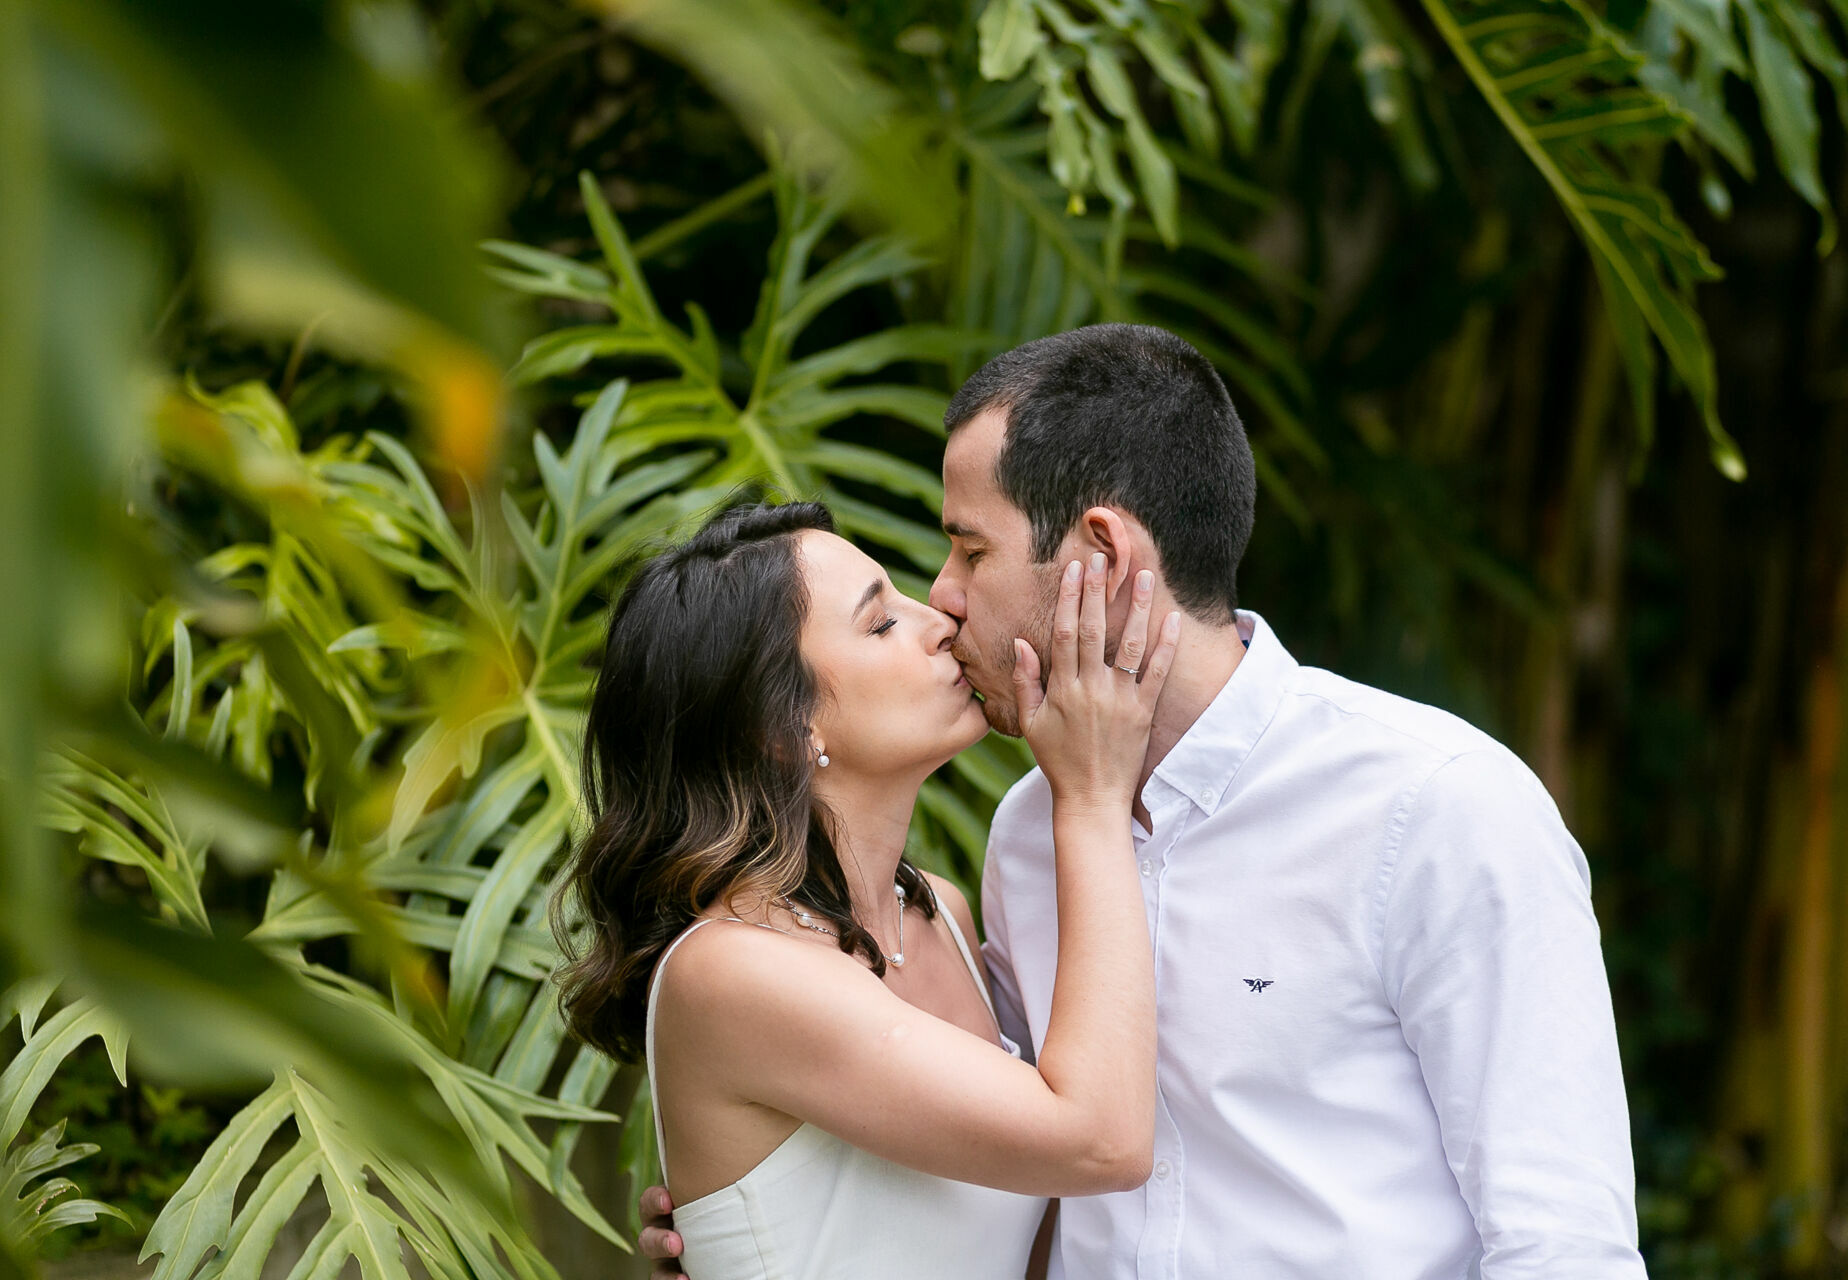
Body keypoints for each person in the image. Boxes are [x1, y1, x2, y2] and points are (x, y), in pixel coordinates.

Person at [641, 324, 1648, 1279]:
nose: (942, 598)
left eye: (972, 550)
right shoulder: (1029, 836)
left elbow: (1564, 1244)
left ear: (1105, 557)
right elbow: (1016, 1161)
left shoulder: (1438, 809)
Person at [552, 499, 1183, 1279]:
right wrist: (1090, 797)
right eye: (881, 624)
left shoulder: (942, 915)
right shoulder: (733, 972)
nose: (941, 622)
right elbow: (1103, 1141)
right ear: (784, 727)